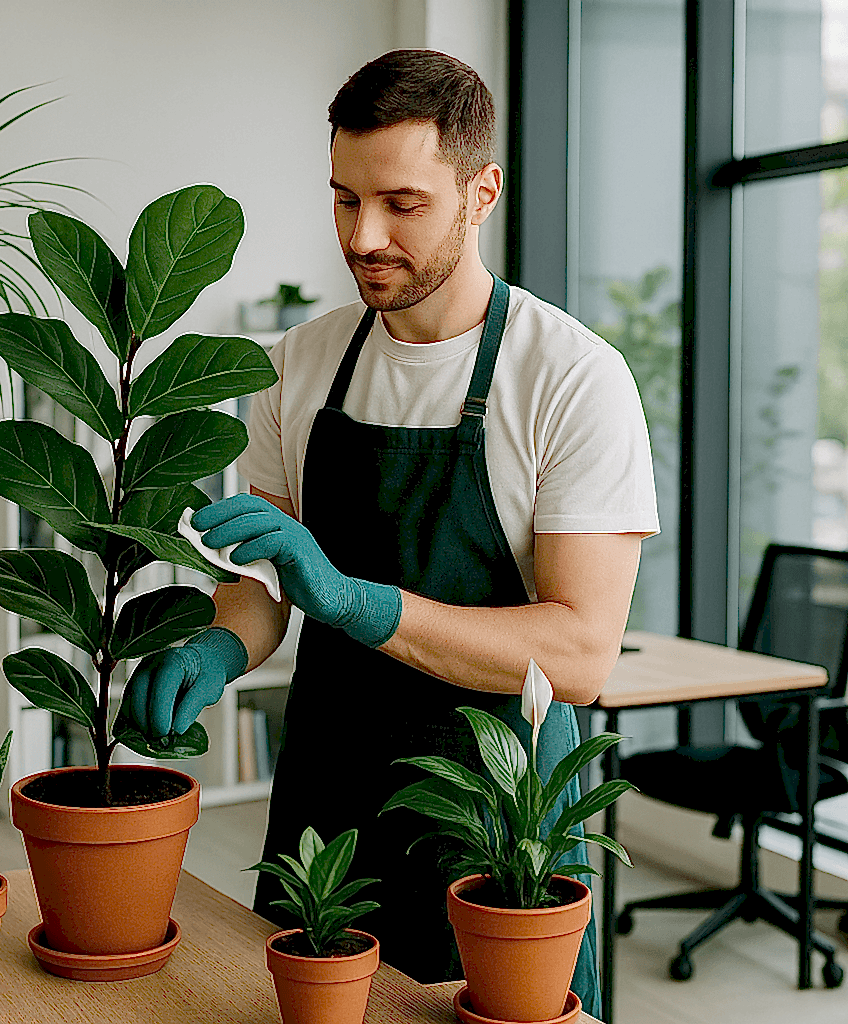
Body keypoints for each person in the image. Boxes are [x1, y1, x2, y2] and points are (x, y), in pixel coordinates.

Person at [122, 49, 658, 1017]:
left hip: (493, 833)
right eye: (342, 200)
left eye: (401, 204)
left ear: (480, 191)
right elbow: (266, 582)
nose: (362, 236)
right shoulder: (299, 363)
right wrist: (219, 640)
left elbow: (579, 654)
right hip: (325, 807)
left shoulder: (570, 378)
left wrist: (355, 601)